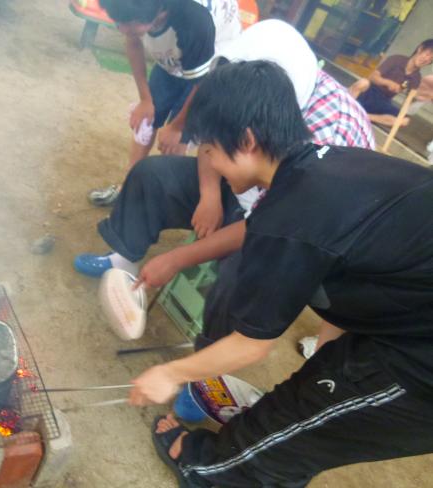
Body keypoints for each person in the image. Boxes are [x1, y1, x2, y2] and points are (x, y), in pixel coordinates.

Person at [128, 60, 433, 488]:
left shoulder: (291, 214)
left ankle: (212, 471)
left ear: (247, 140)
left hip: (422, 363)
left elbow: (253, 344)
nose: (210, 163)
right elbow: (289, 233)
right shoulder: (326, 163)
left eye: (211, 151)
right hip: (412, 315)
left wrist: (170, 373)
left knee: (292, 440)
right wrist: (180, 258)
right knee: (314, 396)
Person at [74, 20, 374, 283]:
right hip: (245, 180)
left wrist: (179, 257)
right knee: (153, 174)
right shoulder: (245, 78)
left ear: (250, 138)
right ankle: (122, 260)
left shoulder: (322, 147)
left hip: (290, 223)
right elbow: (213, 137)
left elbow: (268, 221)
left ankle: (222, 336)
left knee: (247, 270)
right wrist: (210, 195)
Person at [88, 0, 241, 207]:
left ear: (160, 13)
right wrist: (145, 100)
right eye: (118, 23)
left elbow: (202, 84)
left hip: (209, 61)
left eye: (130, 24)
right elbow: (132, 41)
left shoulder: (194, 20)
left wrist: (178, 127)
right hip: (174, 55)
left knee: (175, 142)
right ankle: (129, 187)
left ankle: (154, 199)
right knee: (146, 122)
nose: (123, 29)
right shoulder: (138, 12)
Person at [350, 38, 433, 128]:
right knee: (363, 82)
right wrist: (387, 83)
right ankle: (347, 107)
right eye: (427, 54)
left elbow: (408, 102)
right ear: (420, 49)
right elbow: (373, 77)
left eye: (431, 59)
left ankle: (364, 116)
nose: (426, 59)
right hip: (369, 92)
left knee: (405, 120)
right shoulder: (397, 59)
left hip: (384, 101)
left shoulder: (417, 78)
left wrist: (421, 99)